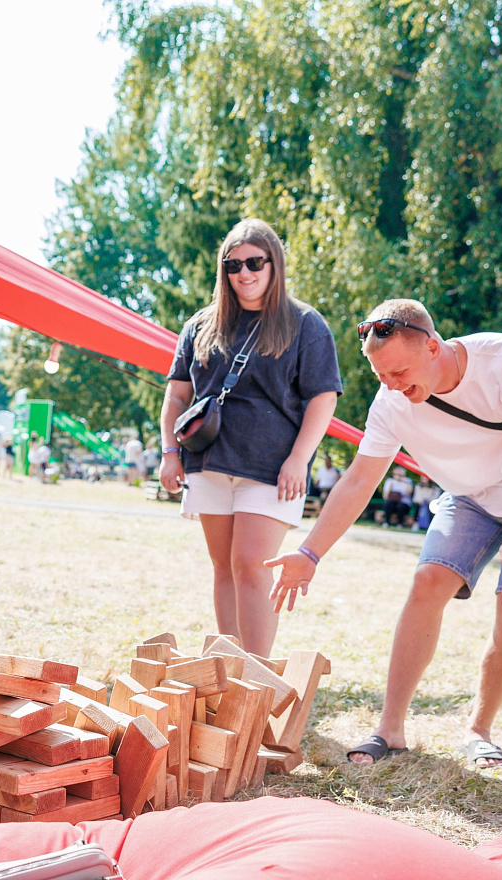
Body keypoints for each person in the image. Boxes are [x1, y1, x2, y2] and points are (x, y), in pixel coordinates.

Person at [268, 299, 502, 769]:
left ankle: (479, 732)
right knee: (427, 581)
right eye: (381, 375)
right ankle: (390, 730)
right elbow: (360, 480)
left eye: (399, 372)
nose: (392, 385)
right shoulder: (391, 402)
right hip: (473, 492)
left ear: (432, 347)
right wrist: (309, 553)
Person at [159, 218, 341, 657]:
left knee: (250, 565)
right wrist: (169, 452)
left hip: (271, 467)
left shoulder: (304, 323)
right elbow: (177, 395)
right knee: (224, 567)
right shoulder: (201, 325)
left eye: (255, 262)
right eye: (234, 264)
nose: (244, 272)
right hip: (208, 462)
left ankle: (255, 674)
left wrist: (300, 458)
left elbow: (323, 398)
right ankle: (229, 668)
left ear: (274, 263)